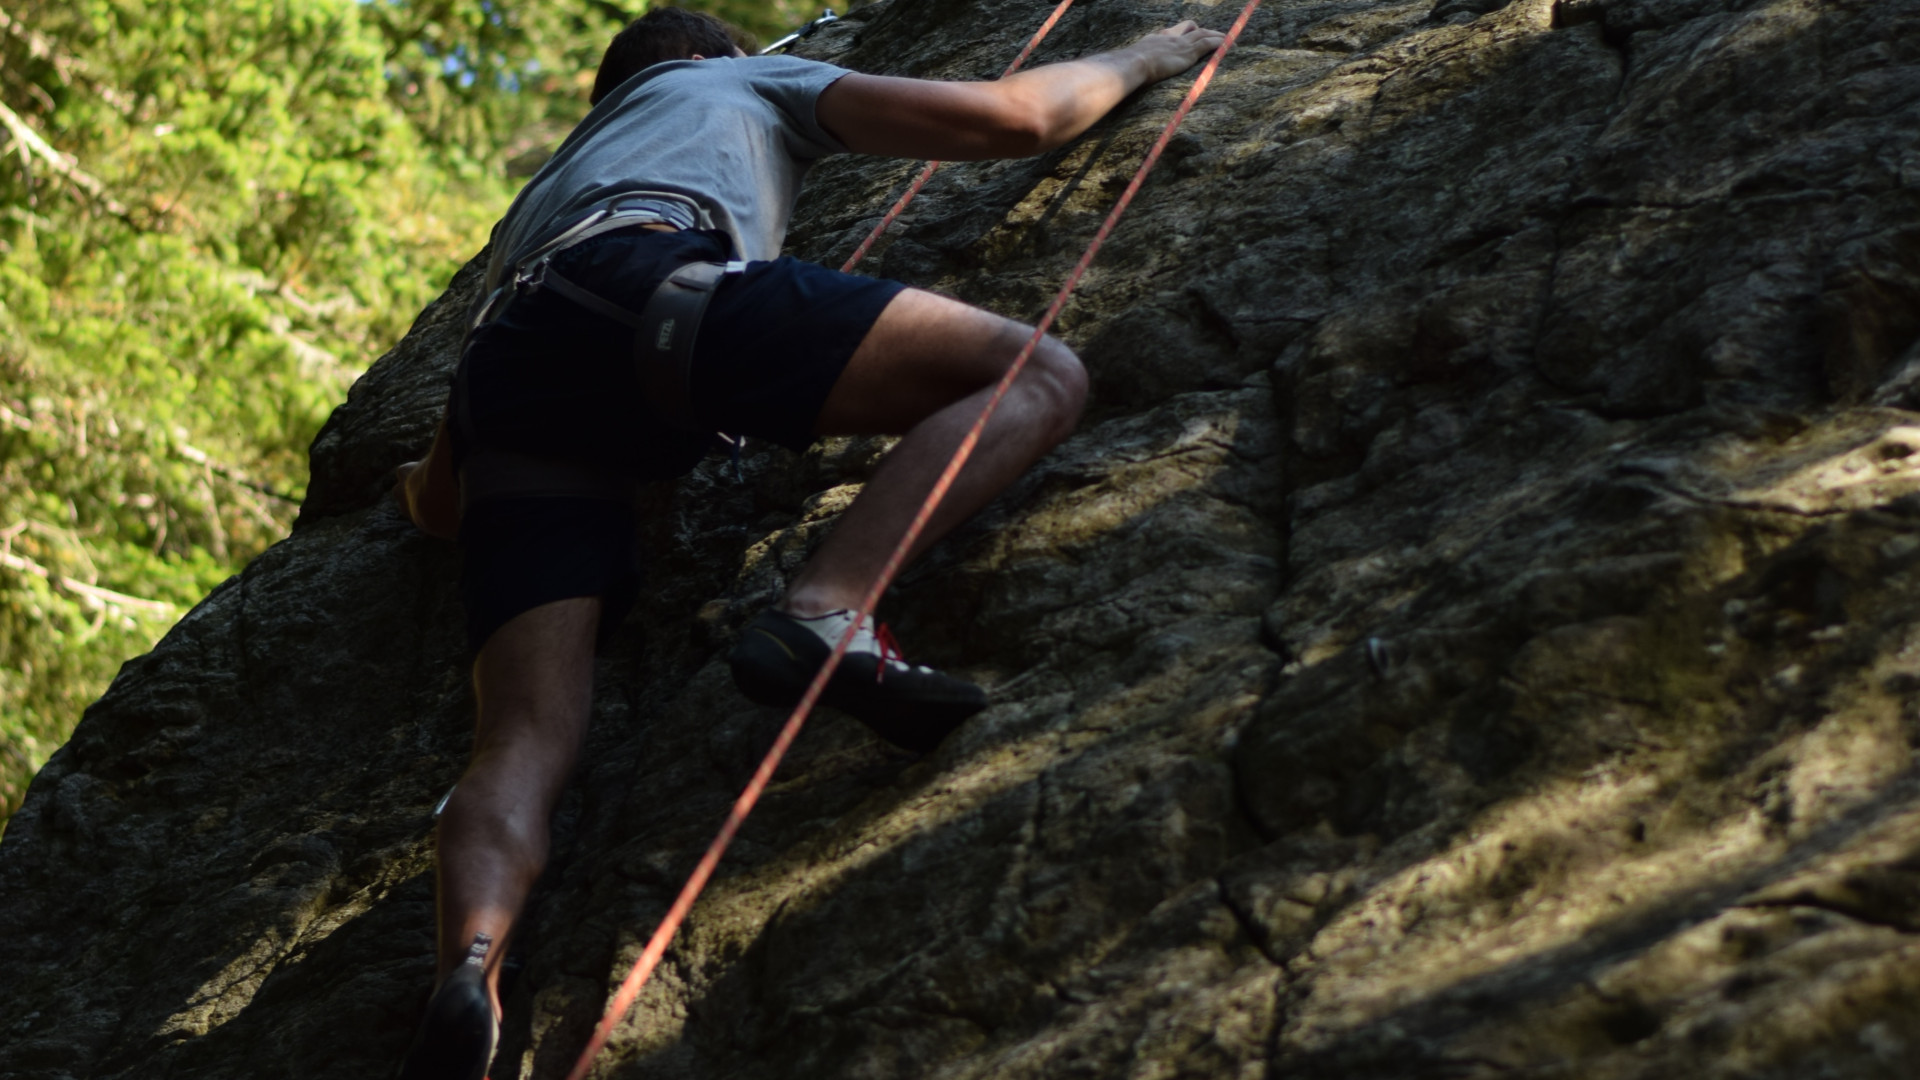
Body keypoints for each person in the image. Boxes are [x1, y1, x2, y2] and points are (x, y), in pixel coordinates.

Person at [388, 7, 1226, 1077]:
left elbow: (439, 505)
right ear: (715, 57)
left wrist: (415, 486)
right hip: (654, 297)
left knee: (520, 744)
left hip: (509, 390)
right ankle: (825, 611)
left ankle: (470, 970)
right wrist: (1155, 52)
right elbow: (1016, 119)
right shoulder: (729, 85)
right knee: (1036, 376)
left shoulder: (542, 195)